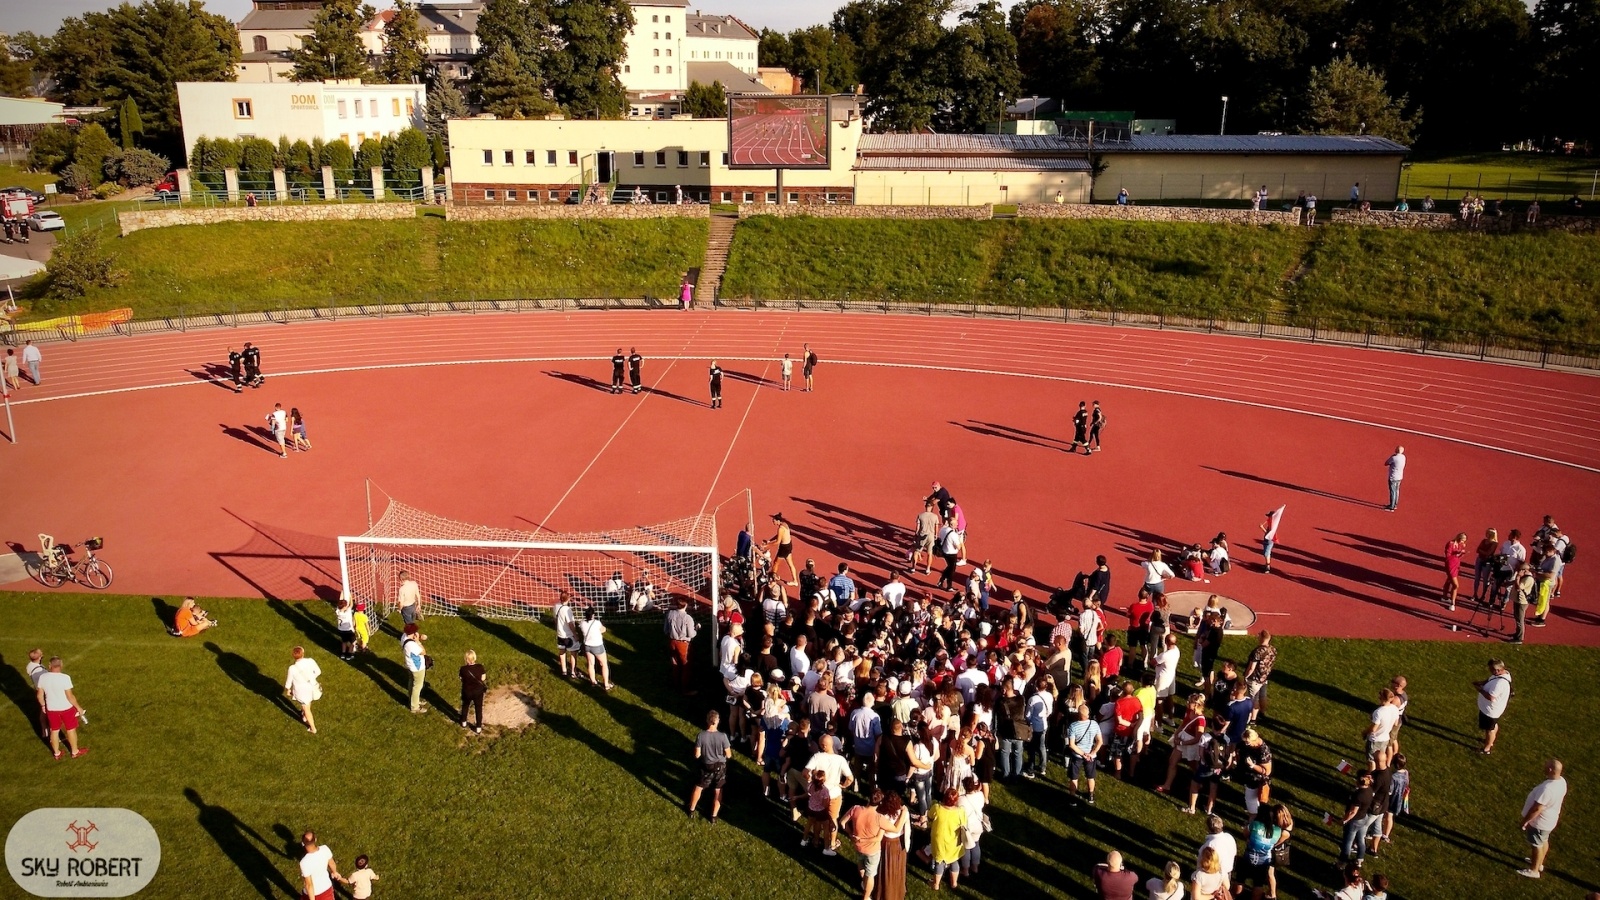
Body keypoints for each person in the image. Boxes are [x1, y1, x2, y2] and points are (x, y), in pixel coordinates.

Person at [1517, 758, 1567, 879]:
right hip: (1550, 820)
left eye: (1546, 766)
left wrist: (1525, 821)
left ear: (1550, 770)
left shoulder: (1547, 789)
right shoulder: (1561, 781)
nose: (1544, 767)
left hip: (1540, 822)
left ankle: (1534, 870)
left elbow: (1536, 809)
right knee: (1544, 840)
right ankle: (1539, 863)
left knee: (1536, 845)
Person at [807, 734, 855, 854]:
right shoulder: (840, 759)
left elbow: (805, 772)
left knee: (818, 820)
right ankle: (832, 843)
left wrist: (812, 782)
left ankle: (816, 840)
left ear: (822, 745)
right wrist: (843, 785)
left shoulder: (817, 757)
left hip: (819, 793)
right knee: (833, 820)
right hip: (834, 794)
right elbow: (850, 778)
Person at [687, 709, 734, 823]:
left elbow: (697, 755)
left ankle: (691, 810)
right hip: (720, 766)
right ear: (717, 721)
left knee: (699, 787)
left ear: (707, 721)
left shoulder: (701, 735)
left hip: (707, 766)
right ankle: (713, 816)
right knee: (718, 790)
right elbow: (729, 755)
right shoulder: (723, 736)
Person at [36, 656, 87, 759]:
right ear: (61, 665)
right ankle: (75, 751)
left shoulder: (43, 677)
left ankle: (57, 753)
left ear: (50, 665)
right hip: (66, 708)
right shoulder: (65, 678)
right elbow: (70, 696)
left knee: (54, 730)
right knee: (70, 729)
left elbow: (39, 695)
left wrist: (43, 705)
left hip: (51, 708)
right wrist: (78, 707)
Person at [842, 789, 888, 898]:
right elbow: (895, 829)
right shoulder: (879, 818)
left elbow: (842, 822)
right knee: (870, 874)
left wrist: (851, 834)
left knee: (861, 863)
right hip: (872, 851)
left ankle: (864, 882)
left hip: (858, 846)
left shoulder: (856, 809)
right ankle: (866, 897)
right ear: (880, 803)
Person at [923, 788, 968, 891]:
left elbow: (929, 816)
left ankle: (936, 884)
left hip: (939, 841)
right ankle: (954, 883)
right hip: (954, 841)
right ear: (956, 800)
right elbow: (964, 824)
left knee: (939, 861)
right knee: (954, 860)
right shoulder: (961, 812)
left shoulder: (937, 808)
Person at [1238, 805, 1282, 900]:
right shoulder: (1278, 831)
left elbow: (1245, 834)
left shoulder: (1255, 824)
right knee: (1258, 883)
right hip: (1264, 861)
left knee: (1240, 879)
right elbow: (1275, 843)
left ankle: (1234, 896)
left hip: (1248, 857)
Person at [1065, 703, 1103, 804]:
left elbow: (1071, 745)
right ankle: (1091, 796)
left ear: (1078, 714)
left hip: (1077, 755)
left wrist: (1082, 754)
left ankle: (1072, 798)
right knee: (1090, 776)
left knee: (1074, 777)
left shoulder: (1073, 726)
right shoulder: (1094, 724)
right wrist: (1092, 753)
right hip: (1090, 756)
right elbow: (1100, 741)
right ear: (1088, 714)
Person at [875, 791, 910, 900]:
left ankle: (885, 893)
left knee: (886, 869)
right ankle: (898, 892)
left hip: (886, 843)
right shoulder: (904, 813)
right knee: (898, 868)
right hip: (899, 843)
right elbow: (902, 828)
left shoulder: (882, 815)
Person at [1472, 658, 1511, 754]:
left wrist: (1480, 689)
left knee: (1489, 730)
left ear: (1497, 670)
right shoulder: (1503, 674)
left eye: (1491, 669)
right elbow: (1490, 679)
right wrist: (1482, 683)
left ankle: (1487, 749)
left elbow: (1491, 697)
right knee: (1493, 726)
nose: (1490, 671)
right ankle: (1490, 741)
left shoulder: (1500, 683)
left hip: (1490, 711)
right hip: (1491, 710)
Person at [1337, 768, 1376, 864]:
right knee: (1361, 840)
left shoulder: (1358, 795)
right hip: (1364, 818)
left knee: (1347, 842)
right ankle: (1359, 860)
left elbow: (1353, 812)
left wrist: (1344, 820)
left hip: (1354, 821)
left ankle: (1342, 863)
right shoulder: (1369, 790)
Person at [284, 646, 323, 734]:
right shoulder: (310, 661)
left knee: (306, 708)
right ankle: (305, 716)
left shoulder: (292, 668)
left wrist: (288, 689)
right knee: (307, 704)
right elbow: (318, 671)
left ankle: (313, 728)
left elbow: (289, 682)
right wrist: (311, 678)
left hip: (301, 692)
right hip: (312, 687)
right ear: (303, 653)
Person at [298, 831, 347, 900]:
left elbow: (309, 885)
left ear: (303, 843)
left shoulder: (304, 862)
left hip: (313, 894)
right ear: (315, 839)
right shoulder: (325, 849)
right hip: (327, 888)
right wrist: (334, 872)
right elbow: (332, 863)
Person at [663, 598, 698, 694]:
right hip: (683, 644)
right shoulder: (688, 618)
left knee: (675, 664)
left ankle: (676, 685)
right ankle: (685, 689)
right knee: (685, 666)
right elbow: (691, 634)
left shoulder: (669, 614)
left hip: (672, 642)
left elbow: (665, 630)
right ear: (685, 605)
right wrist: (696, 629)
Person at [578, 607, 613, 690]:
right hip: (597, 646)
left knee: (591, 664)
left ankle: (593, 682)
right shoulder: (597, 623)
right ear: (593, 615)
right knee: (604, 664)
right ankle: (606, 684)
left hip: (587, 646)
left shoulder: (582, 623)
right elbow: (603, 629)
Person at [401, 624, 428, 713]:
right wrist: (418, 641)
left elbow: (410, 639)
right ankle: (415, 707)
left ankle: (413, 700)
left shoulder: (404, 637)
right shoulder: (412, 645)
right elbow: (423, 652)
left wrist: (419, 637)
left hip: (410, 666)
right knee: (417, 687)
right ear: (412, 633)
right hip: (417, 668)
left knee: (411, 683)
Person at [767, 513, 799, 586]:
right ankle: (795, 581)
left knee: (776, 563)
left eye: (774, 520)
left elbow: (777, 541)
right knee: (790, 564)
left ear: (778, 521)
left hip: (784, 548)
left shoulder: (780, 529)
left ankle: (772, 579)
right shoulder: (785, 524)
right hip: (789, 545)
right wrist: (770, 540)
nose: (773, 521)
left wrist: (767, 545)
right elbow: (779, 536)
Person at [459, 649, 487, 733]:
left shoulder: (463, 669)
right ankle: (478, 727)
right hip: (478, 692)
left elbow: (461, 678)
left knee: (465, 706)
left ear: (466, 659)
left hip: (467, 691)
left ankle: (464, 722)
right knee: (478, 708)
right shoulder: (480, 667)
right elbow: (483, 678)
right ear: (474, 658)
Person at [1509, 561, 1536, 644]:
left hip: (1522, 602)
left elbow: (1518, 588)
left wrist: (1518, 577)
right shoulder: (1524, 576)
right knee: (1517, 617)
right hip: (1517, 600)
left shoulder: (1528, 579)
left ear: (1525, 570)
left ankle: (1519, 638)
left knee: (1520, 620)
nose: (1518, 571)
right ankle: (1517, 633)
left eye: (1520, 570)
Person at [554, 589, 579, 678]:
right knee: (573, 653)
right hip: (568, 636)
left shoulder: (556, 606)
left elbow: (555, 619)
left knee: (562, 651)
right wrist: (575, 635)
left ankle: (564, 670)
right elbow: (570, 624)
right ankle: (573, 672)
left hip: (560, 634)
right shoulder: (567, 610)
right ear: (568, 599)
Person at [1260, 506, 1284, 573]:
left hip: (1268, 541)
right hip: (1267, 540)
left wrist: (1262, 528)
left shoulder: (1272, 525)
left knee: (1266, 553)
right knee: (1267, 553)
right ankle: (1266, 565)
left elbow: (1269, 534)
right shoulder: (1271, 524)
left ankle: (1267, 568)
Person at [1383, 446, 1405, 511]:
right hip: (1399, 476)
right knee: (1397, 490)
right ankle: (1395, 505)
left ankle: (1391, 507)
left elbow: (1386, 463)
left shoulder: (1394, 458)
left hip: (1393, 477)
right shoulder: (1403, 457)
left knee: (1393, 491)